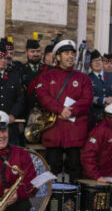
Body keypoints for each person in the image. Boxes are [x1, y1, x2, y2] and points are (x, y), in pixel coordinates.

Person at [34, 39, 92, 182]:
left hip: (75, 132)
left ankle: (74, 203)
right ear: (58, 57)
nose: (71, 56)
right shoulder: (46, 77)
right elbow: (42, 96)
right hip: (54, 131)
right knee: (52, 169)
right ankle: (51, 202)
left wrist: (70, 111)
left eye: (72, 53)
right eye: (67, 53)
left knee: (75, 169)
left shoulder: (83, 79)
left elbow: (87, 99)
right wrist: (60, 109)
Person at [0, 43, 26, 145]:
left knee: (12, 156)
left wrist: (13, 114)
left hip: (10, 125)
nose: (3, 61)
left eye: (5, 58)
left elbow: (20, 98)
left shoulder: (14, 75)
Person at [86, 49, 112, 127]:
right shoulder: (87, 78)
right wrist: (104, 100)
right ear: (90, 64)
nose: (97, 63)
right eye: (94, 61)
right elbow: (87, 97)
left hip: (111, 116)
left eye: (99, 60)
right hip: (95, 117)